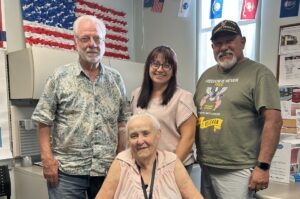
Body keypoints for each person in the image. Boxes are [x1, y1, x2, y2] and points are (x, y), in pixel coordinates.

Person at [31, 15, 128, 199]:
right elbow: (43, 120)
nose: (92, 44)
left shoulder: (116, 79)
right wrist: (47, 158)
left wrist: (121, 157)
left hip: (107, 171)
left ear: (104, 42)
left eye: (97, 38)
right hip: (67, 173)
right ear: (75, 42)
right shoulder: (60, 76)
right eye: (85, 38)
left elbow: (122, 121)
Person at [194, 19, 283, 199]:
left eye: (229, 41)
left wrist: (263, 166)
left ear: (242, 42)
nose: (223, 47)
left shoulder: (259, 74)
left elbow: (273, 121)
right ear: (212, 47)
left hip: (238, 168)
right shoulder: (206, 75)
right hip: (206, 165)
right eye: (218, 43)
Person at [96, 112, 204, 199]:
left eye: (146, 133)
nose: (140, 141)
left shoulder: (172, 162)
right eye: (134, 136)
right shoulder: (121, 162)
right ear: (128, 141)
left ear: (158, 134)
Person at [131, 46, 197, 172]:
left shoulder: (183, 97)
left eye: (166, 65)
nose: (160, 69)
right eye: (155, 64)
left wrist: (169, 168)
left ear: (173, 71)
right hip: (144, 165)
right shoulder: (137, 94)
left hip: (174, 165)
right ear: (148, 67)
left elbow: (188, 138)